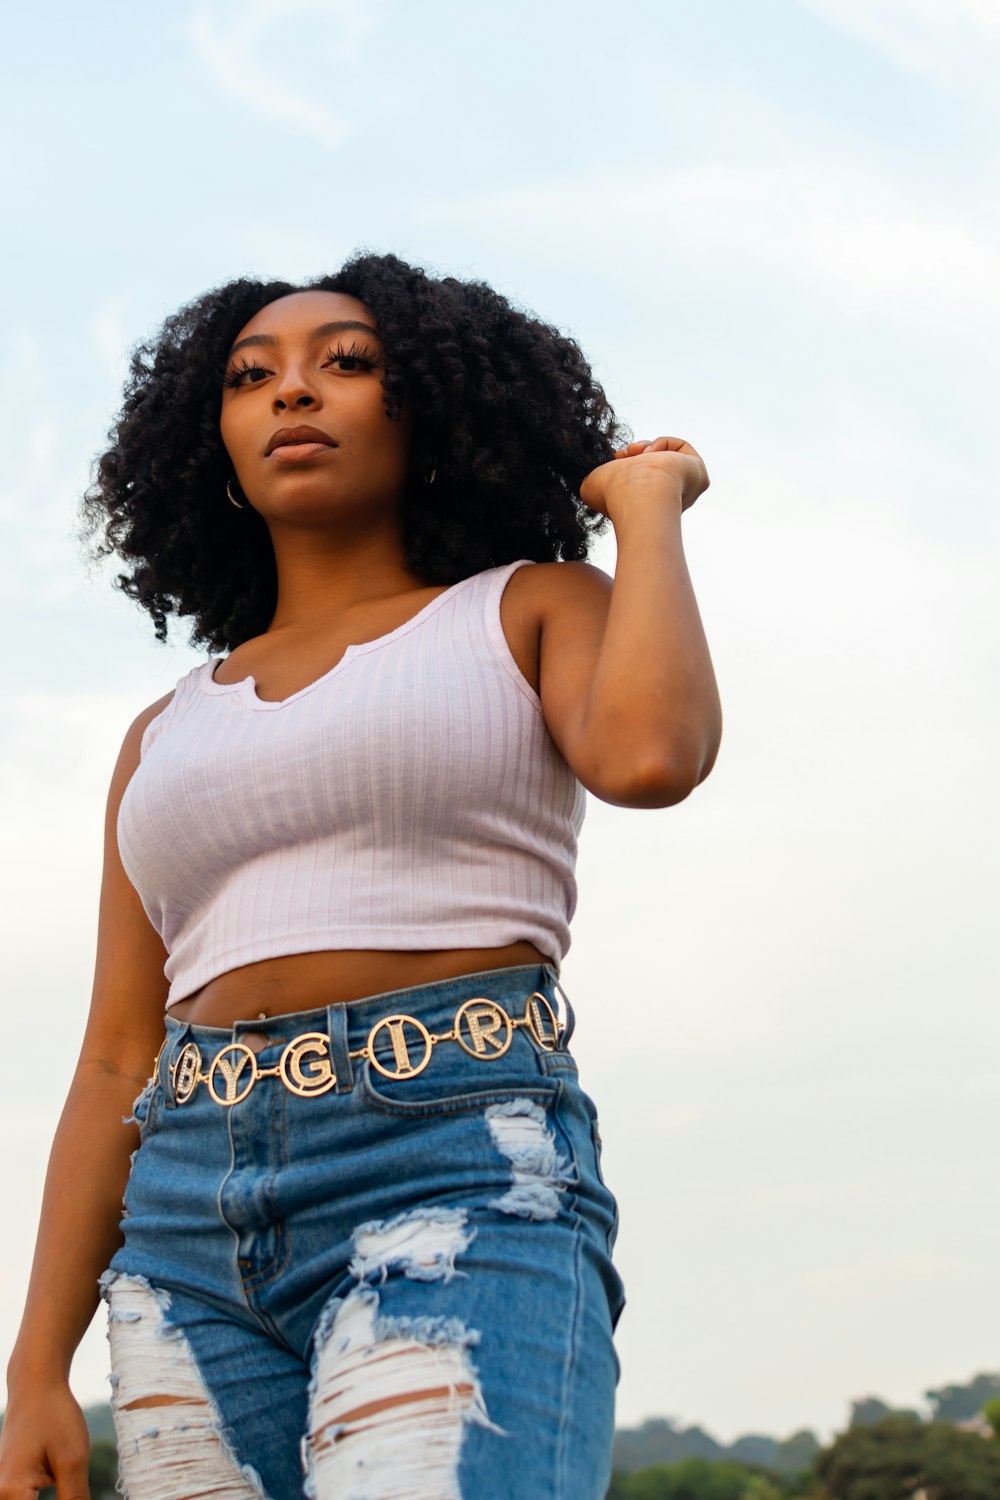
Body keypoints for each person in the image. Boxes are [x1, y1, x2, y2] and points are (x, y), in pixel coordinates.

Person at [0, 251, 721, 1500]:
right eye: (251, 376)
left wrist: (643, 508)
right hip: (181, 1229)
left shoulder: (527, 607)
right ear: (207, 438)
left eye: (345, 362)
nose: (292, 393)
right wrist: (34, 1372)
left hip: (452, 1162)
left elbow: (651, 756)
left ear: (430, 407)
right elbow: (118, 1051)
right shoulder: (163, 729)